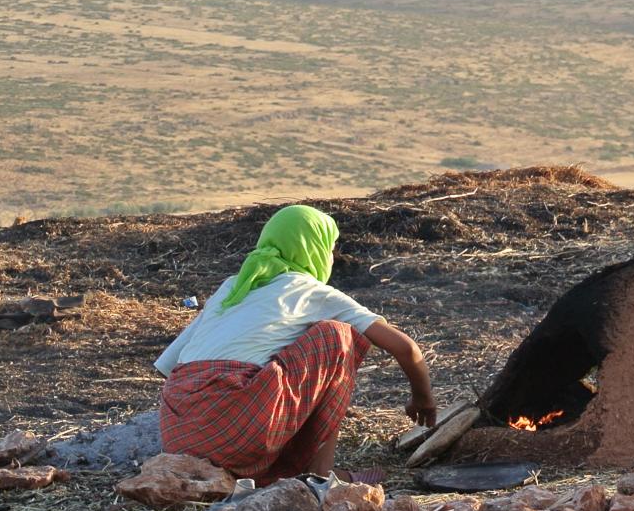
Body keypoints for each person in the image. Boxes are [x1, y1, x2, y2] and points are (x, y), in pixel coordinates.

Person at [154, 204, 437, 486]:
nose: (331, 258)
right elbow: (405, 348)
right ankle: (321, 477)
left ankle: (262, 471)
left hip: (179, 439)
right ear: (313, 249)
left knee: (270, 368)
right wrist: (422, 398)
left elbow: (169, 366)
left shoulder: (233, 286)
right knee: (337, 336)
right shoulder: (312, 291)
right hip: (236, 433)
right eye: (329, 249)